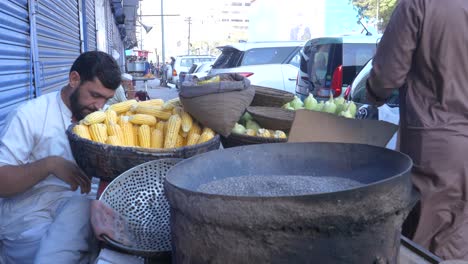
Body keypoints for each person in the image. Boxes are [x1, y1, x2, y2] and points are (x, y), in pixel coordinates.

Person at [366, 0, 468, 260]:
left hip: (435, 149)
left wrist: (373, 94)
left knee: (425, 249)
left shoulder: (418, 4)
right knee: (457, 243)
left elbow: (386, 77)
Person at [0, 51, 121, 263]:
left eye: (106, 99)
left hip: (76, 211)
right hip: (29, 219)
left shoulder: (103, 117)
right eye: (94, 95)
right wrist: (49, 165)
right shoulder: (30, 115)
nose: (99, 106)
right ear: (74, 79)